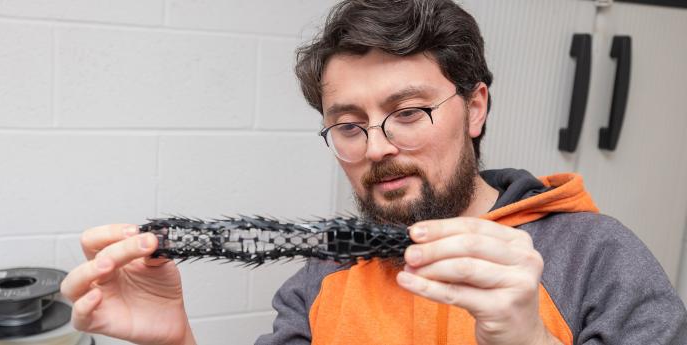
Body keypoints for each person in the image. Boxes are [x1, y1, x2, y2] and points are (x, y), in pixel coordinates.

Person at [60, 0, 687, 344]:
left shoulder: (598, 258)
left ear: (475, 108)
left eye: (408, 113)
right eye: (348, 124)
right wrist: (175, 343)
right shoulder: (318, 282)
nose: (377, 148)